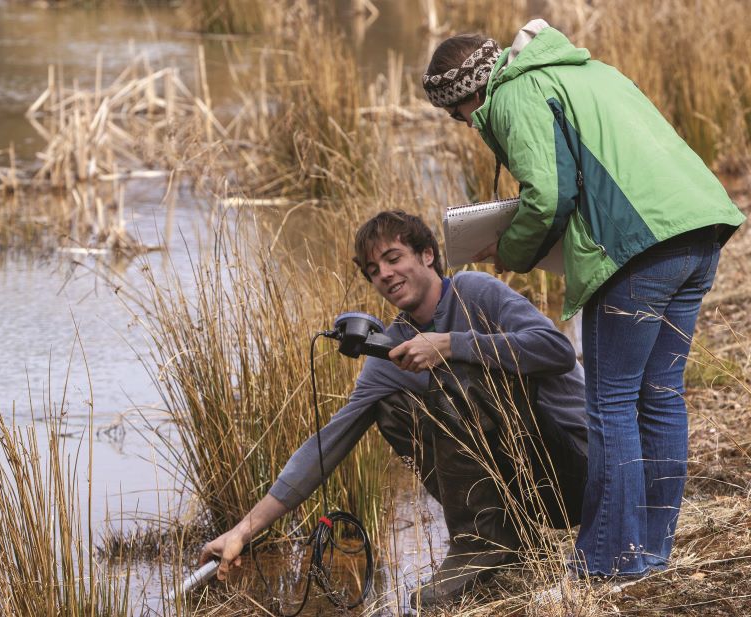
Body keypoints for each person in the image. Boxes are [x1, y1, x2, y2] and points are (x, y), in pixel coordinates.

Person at [422, 20, 745, 578]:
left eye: (460, 116)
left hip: (638, 251)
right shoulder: (587, 71)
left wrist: (512, 249)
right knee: (662, 394)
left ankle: (609, 559)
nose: (468, 125)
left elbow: (549, 195)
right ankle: (651, 548)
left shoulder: (514, 94)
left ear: (470, 97)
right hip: (698, 235)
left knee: (611, 403)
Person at [199, 210, 589, 607]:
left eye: (393, 257)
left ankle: (482, 546)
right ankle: (499, 537)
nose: (383, 274)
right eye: (372, 269)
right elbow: (326, 446)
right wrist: (242, 532)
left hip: (577, 470)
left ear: (427, 256)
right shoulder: (392, 348)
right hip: (525, 493)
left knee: (458, 377)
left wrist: (452, 344)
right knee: (389, 405)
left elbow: (556, 350)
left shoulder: (475, 290)